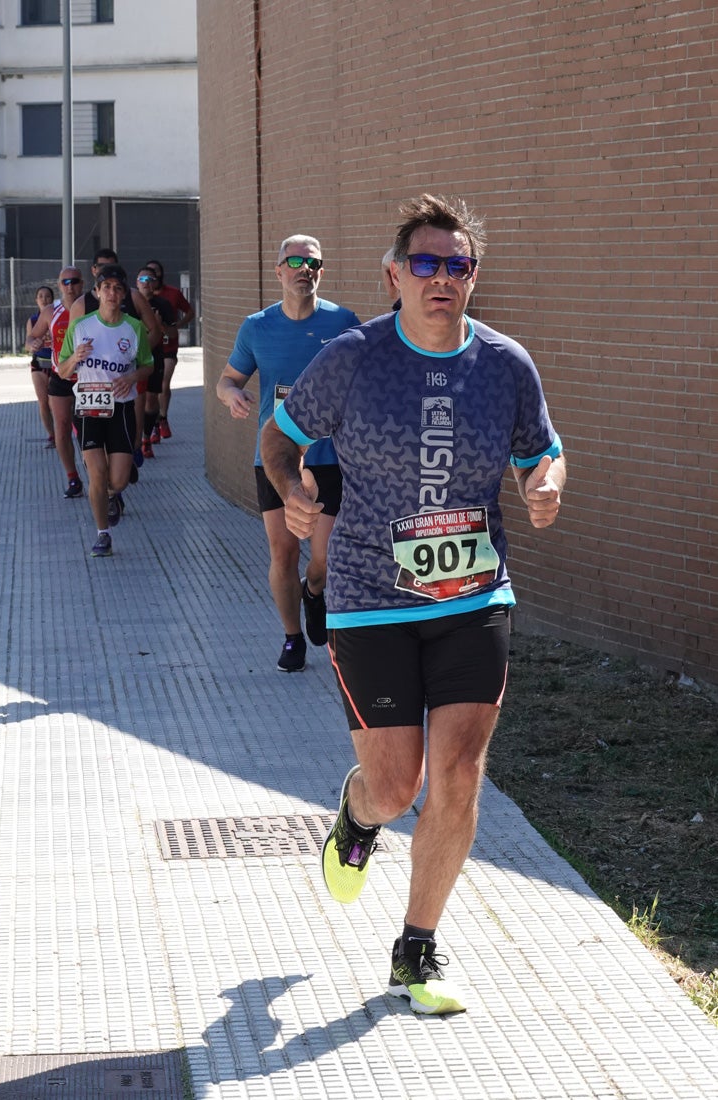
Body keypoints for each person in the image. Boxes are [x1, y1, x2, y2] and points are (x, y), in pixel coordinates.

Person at [260, 194, 566, 1014]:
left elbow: (544, 451)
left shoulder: (505, 364)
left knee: (459, 776)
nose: (441, 279)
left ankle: (417, 947)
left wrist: (545, 484)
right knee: (396, 787)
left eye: (456, 265)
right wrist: (291, 491)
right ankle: (357, 818)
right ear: (394, 274)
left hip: (473, 595)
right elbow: (278, 439)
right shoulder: (353, 358)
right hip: (367, 598)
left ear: (473, 277)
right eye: (424, 264)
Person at [216, 234, 360, 672]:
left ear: (322, 271)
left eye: (313, 263)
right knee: (283, 553)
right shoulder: (256, 326)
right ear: (278, 271)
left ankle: (314, 592)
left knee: (325, 556)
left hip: (330, 457)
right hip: (276, 460)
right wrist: (231, 397)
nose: (305, 269)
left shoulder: (343, 323)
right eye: (294, 261)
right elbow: (228, 379)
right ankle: (292, 636)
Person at [58, 264, 153, 558]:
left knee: (118, 481)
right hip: (88, 409)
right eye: (106, 287)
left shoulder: (133, 328)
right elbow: (62, 371)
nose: (112, 293)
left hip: (121, 410)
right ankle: (103, 535)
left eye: (117, 288)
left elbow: (148, 365)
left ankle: (114, 493)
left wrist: (132, 378)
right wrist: (75, 357)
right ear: (97, 292)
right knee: (96, 474)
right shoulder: (81, 326)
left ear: (124, 295)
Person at [26, 267, 86, 499]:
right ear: (59, 285)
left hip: (88, 378)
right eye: (65, 282)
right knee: (61, 428)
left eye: (74, 282)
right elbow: (31, 337)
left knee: (87, 429)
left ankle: (98, 473)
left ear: (82, 284)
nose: (70, 286)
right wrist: (34, 343)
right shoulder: (51, 311)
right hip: (60, 376)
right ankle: (73, 478)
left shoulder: (93, 307)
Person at [144, 259, 195, 440]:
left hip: (168, 346)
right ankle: (153, 423)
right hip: (148, 348)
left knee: (164, 382)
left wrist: (177, 325)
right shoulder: (137, 299)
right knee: (150, 392)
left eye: (155, 273)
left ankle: (163, 417)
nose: (150, 278)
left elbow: (190, 311)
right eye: (146, 276)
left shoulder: (172, 294)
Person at [134, 267, 175, 457]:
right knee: (135, 401)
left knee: (151, 401)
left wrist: (160, 326)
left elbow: (173, 333)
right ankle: (136, 440)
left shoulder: (163, 304)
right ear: (136, 282)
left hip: (154, 355)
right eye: (142, 278)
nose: (146, 282)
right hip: (131, 359)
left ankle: (147, 435)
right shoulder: (128, 303)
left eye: (150, 279)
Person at [25, 284, 56, 446]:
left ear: (52, 299)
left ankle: (62, 432)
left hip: (56, 365)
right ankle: (52, 435)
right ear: (36, 300)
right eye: (41, 296)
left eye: (48, 296)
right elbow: (27, 344)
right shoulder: (33, 320)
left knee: (54, 402)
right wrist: (33, 345)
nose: (44, 299)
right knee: (43, 402)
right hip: (39, 364)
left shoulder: (56, 316)